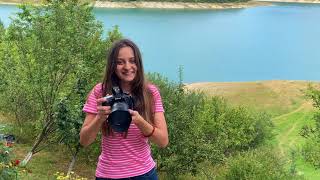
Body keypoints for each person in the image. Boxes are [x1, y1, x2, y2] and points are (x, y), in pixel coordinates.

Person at [79, 38, 169, 180]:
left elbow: (163, 141)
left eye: (132, 61)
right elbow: (84, 141)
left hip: (144, 174)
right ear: (112, 66)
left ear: (138, 63)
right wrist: (99, 119)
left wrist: (140, 121)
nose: (127, 67)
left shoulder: (150, 93)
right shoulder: (100, 92)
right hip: (108, 175)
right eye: (120, 62)